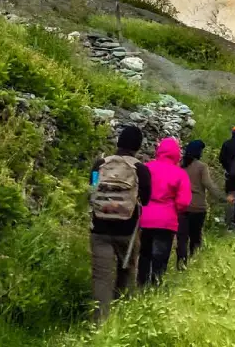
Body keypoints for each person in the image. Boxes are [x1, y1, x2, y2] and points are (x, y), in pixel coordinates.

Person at [88, 126, 152, 324]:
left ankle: (100, 323)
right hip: (127, 231)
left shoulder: (99, 164)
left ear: (118, 142)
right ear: (138, 146)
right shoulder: (140, 169)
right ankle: (121, 316)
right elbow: (147, 199)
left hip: (99, 229)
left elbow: (92, 189)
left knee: (101, 278)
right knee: (126, 271)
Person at [138, 137, 191, 286]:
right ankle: (156, 284)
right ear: (176, 154)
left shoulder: (147, 167)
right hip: (166, 220)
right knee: (160, 255)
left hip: (145, 218)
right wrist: (176, 209)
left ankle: (142, 284)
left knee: (144, 253)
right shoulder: (180, 173)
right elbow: (183, 202)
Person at [177, 139, 220, 268]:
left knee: (182, 238)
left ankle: (181, 264)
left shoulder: (180, 165)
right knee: (195, 237)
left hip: (182, 207)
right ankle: (195, 263)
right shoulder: (201, 167)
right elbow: (208, 184)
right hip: (198, 207)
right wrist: (222, 197)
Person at [218, 126, 235, 228]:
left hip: (230, 176)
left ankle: (229, 221)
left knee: (230, 198)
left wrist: (227, 167)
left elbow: (221, 158)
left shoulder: (226, 144)